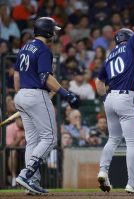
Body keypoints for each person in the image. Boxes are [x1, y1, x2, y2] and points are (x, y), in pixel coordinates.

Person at [13, 17, 80, 194]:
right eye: (53, 30)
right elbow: (46, 78)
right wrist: (67, 94)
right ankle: (27, 175)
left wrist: (21, 96)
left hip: (21, 95)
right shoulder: (43, 50)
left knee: (32, 141)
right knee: (49, 138)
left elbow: (17, 76)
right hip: (35, 94)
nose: (55, 33)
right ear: (48, 32)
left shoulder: (24, 48)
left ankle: (32, 182)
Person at [95, 15, 134, 195]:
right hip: (126, 97)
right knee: (132, 143)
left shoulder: (109, 56)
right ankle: (132, 183)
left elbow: (98, 83)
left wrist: (106, 99)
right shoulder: (130, 47)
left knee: (113, 139)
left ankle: (103, 170)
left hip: (110, 99)